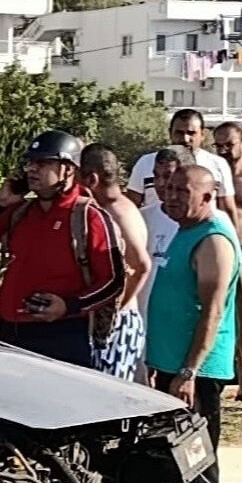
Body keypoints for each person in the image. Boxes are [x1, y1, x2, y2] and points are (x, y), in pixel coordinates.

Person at [0, 132, 125, 370]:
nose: (32, 169)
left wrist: (69, 306)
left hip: (60, 337)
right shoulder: (21, 211)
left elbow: (114, 281)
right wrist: (0, 203)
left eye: (44, 163)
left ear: (68, 169)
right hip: (10, 332)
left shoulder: (89, 216)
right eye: (30, 162)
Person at [144, 153, 242, 483]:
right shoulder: (182, 231)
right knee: (168, 455)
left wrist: (189, 371)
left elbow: (213, 312)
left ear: (208, 195)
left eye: (183, 191)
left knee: (196, 454)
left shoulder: (213, 239)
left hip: (196, 371)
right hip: (168, 364)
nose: (171, 197)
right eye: (169, 189)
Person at [79, 145, 159, 379]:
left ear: (92, 179)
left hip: (119, 323)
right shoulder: (101, 209)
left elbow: (141, 266)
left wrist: (117, 309)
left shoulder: (119, 212)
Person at [139, 107, 208, 258]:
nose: (160, 184)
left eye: (167, 177)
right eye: (156, 176)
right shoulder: (142, 218)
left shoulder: (209, 224)